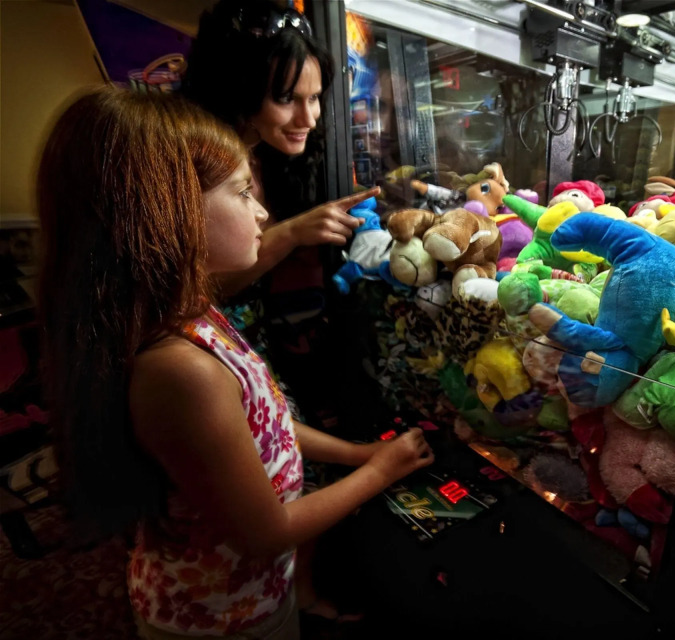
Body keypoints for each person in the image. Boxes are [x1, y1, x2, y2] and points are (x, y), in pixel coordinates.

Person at [36, 87, 434, 639]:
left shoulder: (194, 311)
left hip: (258, 593)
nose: (262, 211)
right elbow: (267, 534)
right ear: (166, 213)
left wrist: (356, 453)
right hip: (220, 617)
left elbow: (262, 421)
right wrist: (378, 472)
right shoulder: (180, 371)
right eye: (243, 193)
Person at [182, 0, 379, 433]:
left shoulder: (274, 155)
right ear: (239, 88)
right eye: (286, 98)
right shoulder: (198, 165)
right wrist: (292, 234)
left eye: (315, 98)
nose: (308, 118)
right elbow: (196, 291)